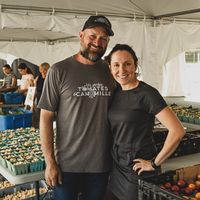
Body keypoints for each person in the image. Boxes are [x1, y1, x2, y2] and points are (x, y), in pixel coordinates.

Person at [38, 15, 115, 200]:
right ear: (81, 35)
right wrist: (50, 162)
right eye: (93, 35)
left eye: (104, 38)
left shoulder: (111, 71)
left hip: (101, 165)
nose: (98, 42)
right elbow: (46, 118)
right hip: (66, 166)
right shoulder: (59, 70)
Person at [105, 44, 185, 200]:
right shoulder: (115, 91)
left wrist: (154, 163)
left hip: (137, 169)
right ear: (110, 67)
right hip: (116, 168)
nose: (122, 70)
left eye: (127, 64)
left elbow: (177, 131)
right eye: (116, 65)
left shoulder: (147, 94)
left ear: (135, 65)